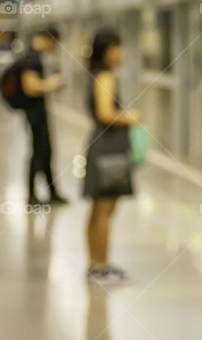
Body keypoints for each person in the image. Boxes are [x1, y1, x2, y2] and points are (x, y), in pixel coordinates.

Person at [83, 28, 140, 281]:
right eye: (117, 48)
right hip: (109, 147)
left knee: (99, 208)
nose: (121, 53)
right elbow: (106, 113)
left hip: (102, 145)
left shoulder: (96, 75)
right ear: (107, 51)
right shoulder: (105, 77)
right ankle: (101, 265)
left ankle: (97, 263)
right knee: (105, 208)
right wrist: (130, 117)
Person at [18, 27, 67, 206]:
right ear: (47, 40)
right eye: (54, 44)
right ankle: (31, 194)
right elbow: (30, 87)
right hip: (34, 112)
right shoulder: (33, 59)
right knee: (38, 152)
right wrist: (52, 84)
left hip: (37, 111)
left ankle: (51, 192)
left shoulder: (32, 56)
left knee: (46, 151)